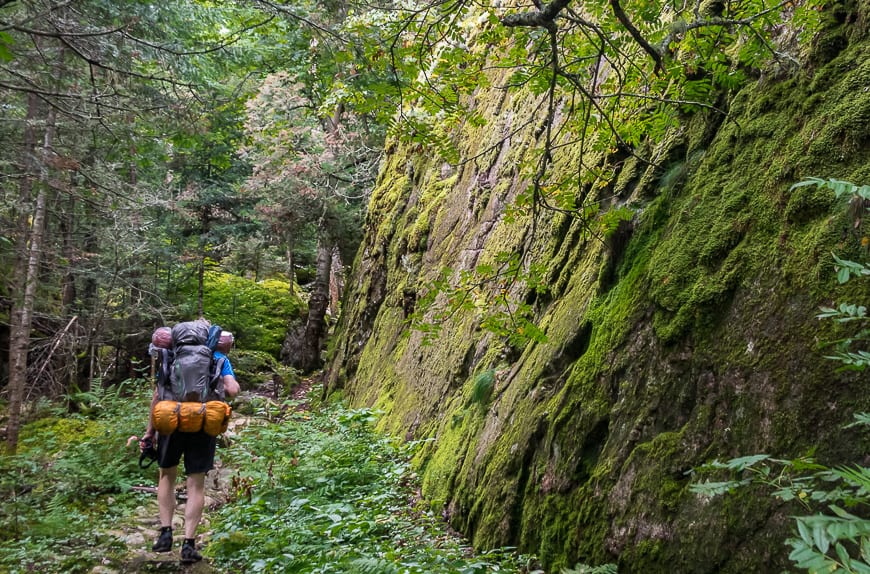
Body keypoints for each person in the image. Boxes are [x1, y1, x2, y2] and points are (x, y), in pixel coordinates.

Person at [140, 329, 240, 563]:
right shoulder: (218, 358)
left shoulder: (172, 355)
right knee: (196, 484)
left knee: (166, 476)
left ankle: (165, 534)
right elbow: (233, 390)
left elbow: (158, 396)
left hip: (171, 422)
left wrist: (149, 433)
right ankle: (188, 544)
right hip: (203, 425)